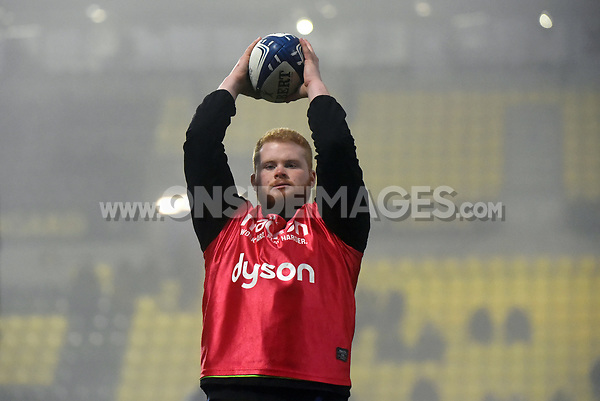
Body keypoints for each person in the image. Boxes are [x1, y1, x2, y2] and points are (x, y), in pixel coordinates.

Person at [183, 37, 370, 401]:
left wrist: (315, 85)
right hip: (231, 384)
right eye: (269, 166)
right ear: (254, 180)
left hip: (315, 386)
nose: (280, 172)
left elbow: (334, 146)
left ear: (313, 179)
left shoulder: (338, 227)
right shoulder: (224, 226)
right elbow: (200, 142)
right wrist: (237, 78)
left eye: (292, 165)